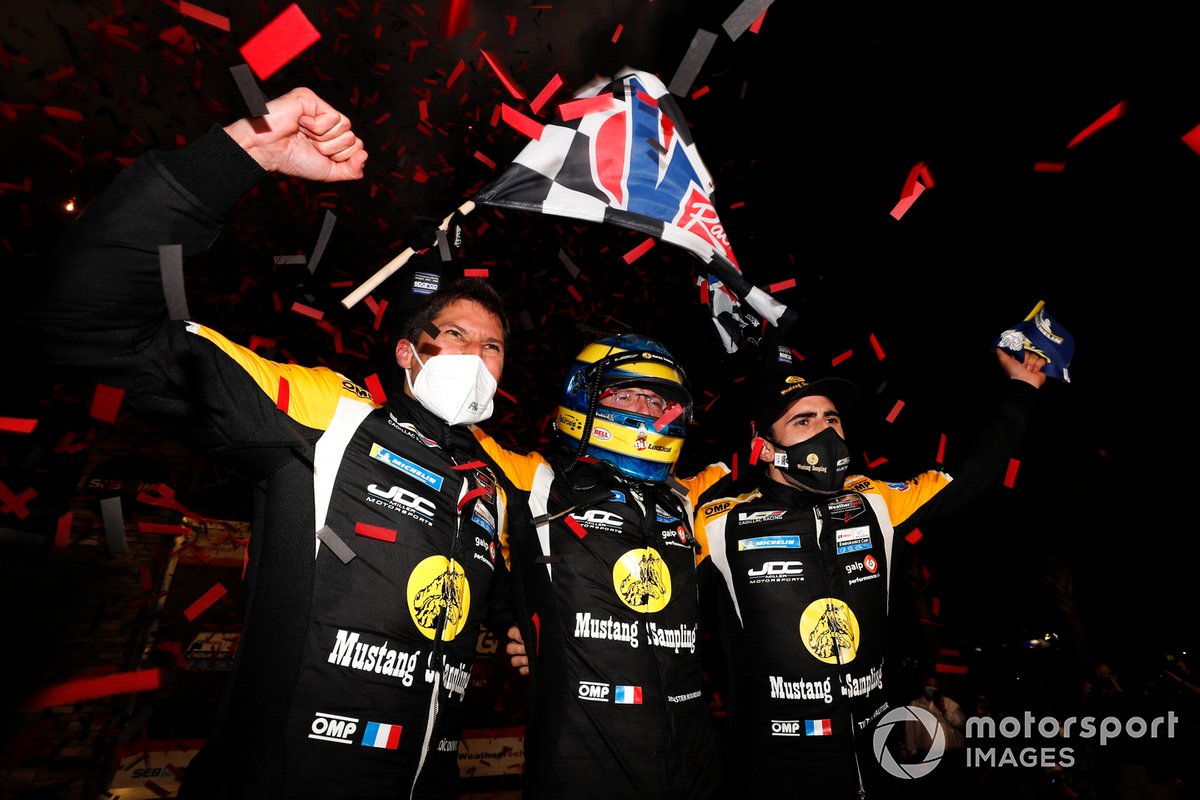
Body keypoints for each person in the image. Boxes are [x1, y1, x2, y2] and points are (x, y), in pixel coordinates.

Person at [16, 87, 525, 799]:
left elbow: (490, 589)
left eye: (494, 345)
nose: (477, 355)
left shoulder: (486, 487)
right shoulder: (330, 415)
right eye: (457, 335)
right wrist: (236, 156)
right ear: (409, 352)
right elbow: (86, 322)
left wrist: (516, 625)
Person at [692, 342, 1049, 798]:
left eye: (832, 418)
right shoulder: (718, 521)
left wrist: (1021, 387)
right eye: (804, 421)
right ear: (764, 448)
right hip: (774, 766)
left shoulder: (874, 500)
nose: (827, 431)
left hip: (880, 753)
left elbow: (975, 475)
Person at [476, 333, 729, 799]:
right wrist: (519, 621)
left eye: (658, 401)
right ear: (584, 397)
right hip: (581, 760)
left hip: (692, 760)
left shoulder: (691, 499)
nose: (646, 409)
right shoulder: (532, 480)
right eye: (627, 393)